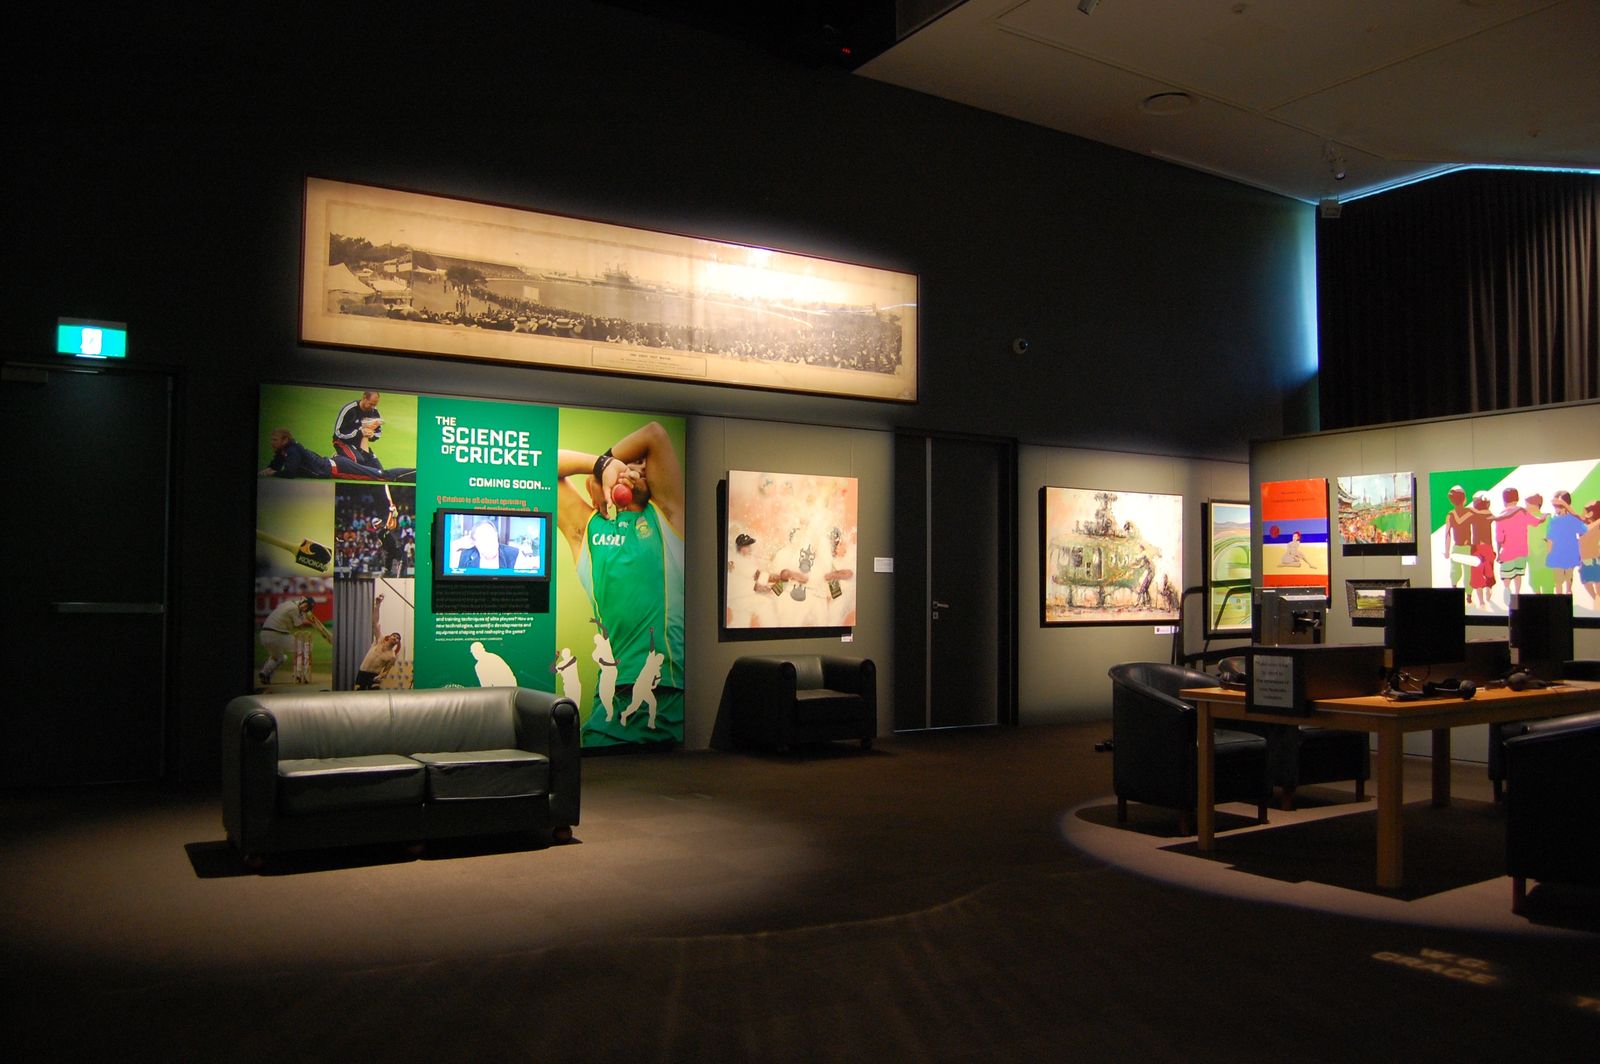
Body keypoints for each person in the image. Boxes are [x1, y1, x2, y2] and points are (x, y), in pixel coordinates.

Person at [557, 420, 684, 744]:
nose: (635, 469)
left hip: (673, 701)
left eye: (642, 464)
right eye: (628, 464)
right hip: (611, 708)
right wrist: (602, 464)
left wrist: (611, 462)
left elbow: (654, 434)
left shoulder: (670, 519)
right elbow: (540, 464)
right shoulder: (586, 529)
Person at [257, 595, 329, 687]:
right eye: (306, 605)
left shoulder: (288, 604)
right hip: (277, 635)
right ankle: (299, 674)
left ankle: (264, 673)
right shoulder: (294, 609)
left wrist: (304, 614)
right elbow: (299, 625)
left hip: (264, 634)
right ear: (303, 601)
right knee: (307, 646)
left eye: (308, 607)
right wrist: (306, 615)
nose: (305, 608)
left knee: (279, 657)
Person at [1492, 487, 1545, 599]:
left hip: (1507, 552)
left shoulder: (1501, 516)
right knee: (1518, 574)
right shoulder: (1522, 512)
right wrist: (1543, 518)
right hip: (1522, 551)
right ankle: (1517, 593)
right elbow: (1536, 522)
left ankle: (1507, 588)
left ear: (1504, 500)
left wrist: (1498, 553)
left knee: (1507, 575)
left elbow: (1499, 538)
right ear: (1517, 499)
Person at [352, 593, 402, 690]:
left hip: (374, 676)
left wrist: (381, 676)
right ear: (390, 636)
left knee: (373, 698)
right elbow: (375, 623)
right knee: (357, 695)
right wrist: (377, 605)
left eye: (397, 638)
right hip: (363, 672)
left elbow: (386, 670)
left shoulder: (392, 656)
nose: (395, 638)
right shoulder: (379, 640)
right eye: (394, 636)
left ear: (397, 643)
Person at [332, 391, 386, 474]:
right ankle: (338, 459)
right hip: (343, 442)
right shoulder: (349, 409)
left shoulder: (374, 411)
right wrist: (360, 433)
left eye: (375, 405)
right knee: (358, 461)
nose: (372, 407)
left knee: (378, 470)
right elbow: (338, 432)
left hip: (360, 445)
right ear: (364, 398)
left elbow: (378, 432)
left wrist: (372, 435)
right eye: (371, 404)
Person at [1544, 491, 1586, 596]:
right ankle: (1564, 594)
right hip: (1561, 552)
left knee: (1565, 578)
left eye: (1559, 506)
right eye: (1555, 506)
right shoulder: (1556, 521)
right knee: (1560, 580)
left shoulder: (1558, 521)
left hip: (1564, 552)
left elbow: (1583, 529)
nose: (1557, 509)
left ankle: (1567, 592)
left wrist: (1548, 551)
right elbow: (1583, 529)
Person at [453, 519, 524, 570]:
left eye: (491, 536)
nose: (489, 542)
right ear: (474, 542)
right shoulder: (464, 556)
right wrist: (458, 544)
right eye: (483, 538)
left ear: (496, 536)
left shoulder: (515, 554)